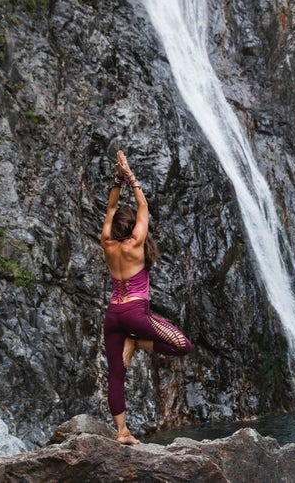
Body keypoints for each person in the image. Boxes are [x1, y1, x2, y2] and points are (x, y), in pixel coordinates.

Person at [100, 150, 192, 445]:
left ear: (115, 227)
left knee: (116, 375)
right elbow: (143, 204)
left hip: (113, 313)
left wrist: (117, 180)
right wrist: (130, 176)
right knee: (182, 345)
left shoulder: (107, 242)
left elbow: (112, 206)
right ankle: (137, 342)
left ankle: (122, 432)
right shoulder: (137, 243)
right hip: (136, 313)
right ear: (133, 228)